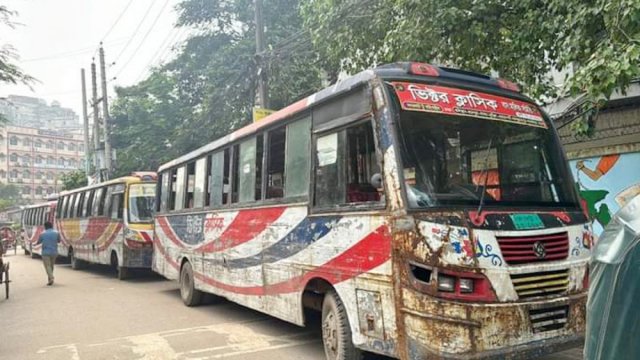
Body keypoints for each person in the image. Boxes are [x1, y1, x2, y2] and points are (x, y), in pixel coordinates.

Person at [36, 221, 60, 286]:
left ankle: (51, 277)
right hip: (54, 252)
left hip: (45, 252)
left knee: (47, 266)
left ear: (45, 227)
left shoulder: (42, 234)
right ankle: (50, 280)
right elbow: (59, 241)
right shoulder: (56, 233)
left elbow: (38, 242)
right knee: (51, 266)